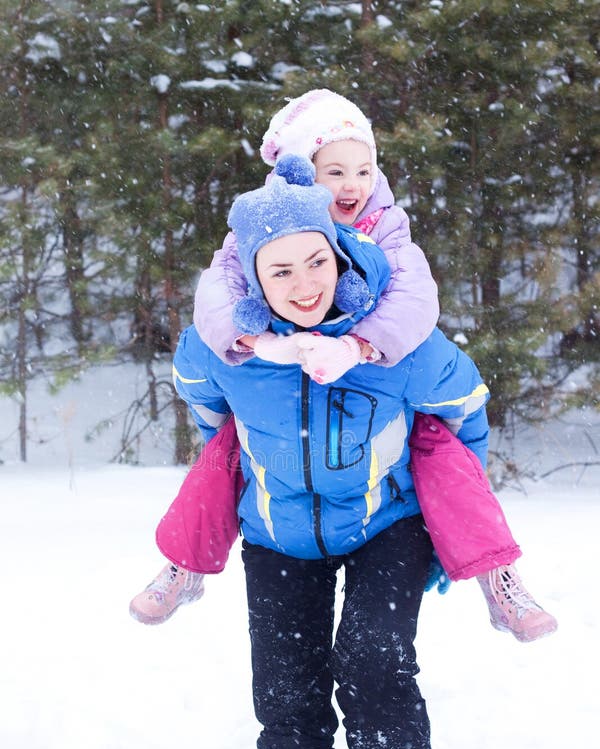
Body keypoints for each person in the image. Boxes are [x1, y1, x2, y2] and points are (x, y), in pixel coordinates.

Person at [130, 89, 557, 642]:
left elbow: (415, 300)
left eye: (365, 168)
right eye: (334, 171)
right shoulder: (264, 224)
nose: (352, 185)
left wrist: (359, 347)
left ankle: (498, 573)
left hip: (382, 374)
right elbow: (215, 293)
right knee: (230, 448)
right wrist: (255, 343)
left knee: (439, 451)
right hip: (281, 377)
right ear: (299, 174)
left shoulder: (386, 227)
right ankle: (183, 565)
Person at [170, 154, 492, 749]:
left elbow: (465, 402)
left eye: (316, 262)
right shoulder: (224, 350)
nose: (304, 283)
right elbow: (204, 404)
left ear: (340, 256)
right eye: (280, 270)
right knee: (287, 685)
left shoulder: (394, 341)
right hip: (278, 531)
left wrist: (452, 488)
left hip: (387, 524)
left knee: (373, 658)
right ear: (254, 281)